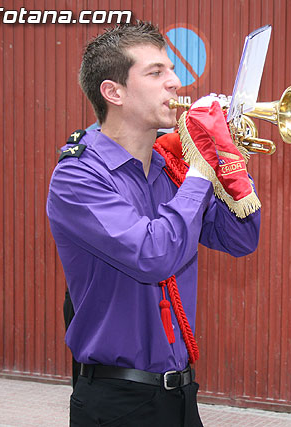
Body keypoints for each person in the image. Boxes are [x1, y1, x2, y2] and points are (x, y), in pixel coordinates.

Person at [47, 21, 261, 426]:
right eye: (156, 72)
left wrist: (228, 161)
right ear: (114, 92)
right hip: (117, 400)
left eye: (172, 70)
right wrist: (200, 171)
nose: (176, 82)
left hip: (181, 393)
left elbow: (240, 238)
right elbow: (154, 255)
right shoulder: (78, 176)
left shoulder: (170, 170)